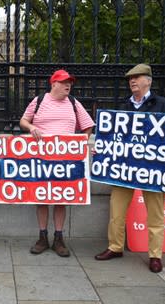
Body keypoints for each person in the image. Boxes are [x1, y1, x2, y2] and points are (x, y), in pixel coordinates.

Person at [94, 63, 165, 273]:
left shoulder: (162, 104)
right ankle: (115, 247)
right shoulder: (123, 106)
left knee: (155, 214)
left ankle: (155, 255)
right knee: (116, 211)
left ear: (149, 80)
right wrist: (102, 149)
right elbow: (113, 137)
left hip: (154, 172)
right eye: (130, 78)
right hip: (124, 170)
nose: (133, 81)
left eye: (137, 77)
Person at [19, 69, 95, 257]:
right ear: (53, 84)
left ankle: (58, 238)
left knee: (61, 199)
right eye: (64, 82)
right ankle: (43, 237)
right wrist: (32, 127)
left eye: (70, 82)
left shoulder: (73, 103)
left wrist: (80, 143)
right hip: (42, 159)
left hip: (65, 161)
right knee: (42, 198)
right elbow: (23, 121)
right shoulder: (38, 101)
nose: (68, 85)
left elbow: (88, 126)